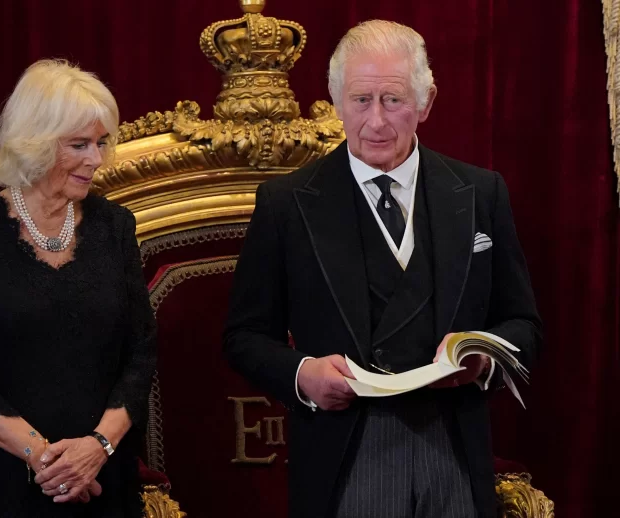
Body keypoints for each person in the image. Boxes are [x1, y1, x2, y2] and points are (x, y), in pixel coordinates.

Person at [223, 20, 541, 518]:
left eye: (393, 100)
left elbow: (523, 325)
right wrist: (304, 375)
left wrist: (482, 361)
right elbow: (244, 336)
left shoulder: (481, 194)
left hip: (454, 452)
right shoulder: (286, 204)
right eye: (360, 100)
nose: (375, 121)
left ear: (426, 102)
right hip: (345, 454)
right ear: (335, 101)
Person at [0, 59, 156, 517]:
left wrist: (96, 448)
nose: (96, 159)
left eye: (101, 142)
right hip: (0, 483)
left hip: (103, 478)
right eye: (79, 144)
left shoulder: (115, 226)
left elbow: (141, 355)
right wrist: (47, 461)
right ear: (34, 142)